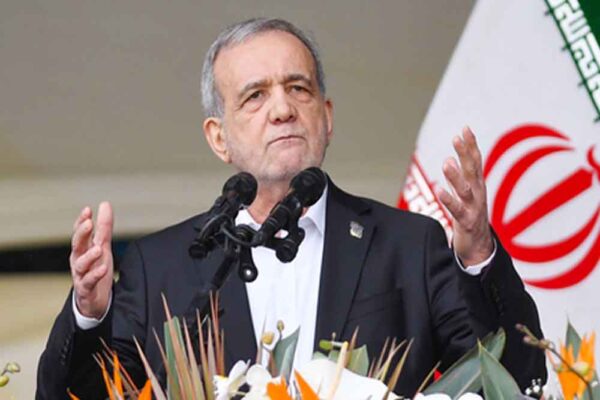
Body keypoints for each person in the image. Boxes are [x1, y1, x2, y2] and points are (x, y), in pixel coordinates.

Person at [36, 18, 545, 399]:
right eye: (255, 96)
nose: (282, 109)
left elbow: (517, 382)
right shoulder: (161, 267)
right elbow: (75, 395)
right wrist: (89, 315)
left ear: (326, 117)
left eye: (298, 88)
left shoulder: (409, 245)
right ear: (218, 137)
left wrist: (478, 256)